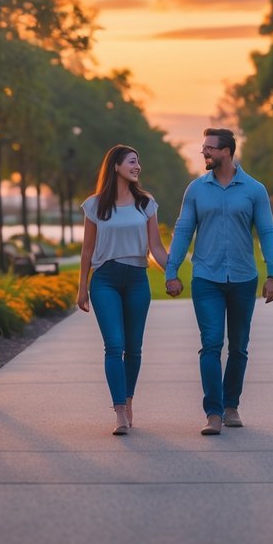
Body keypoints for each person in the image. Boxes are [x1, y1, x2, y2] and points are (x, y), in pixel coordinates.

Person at [165, 128, 273, 435]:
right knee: (212, 344)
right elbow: (183, 231)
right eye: (203, 148)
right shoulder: (196, 189)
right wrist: (171, 270)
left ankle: (232, 407)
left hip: (243, 278)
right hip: (207, 277)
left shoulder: (254, 190)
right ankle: (213, 413)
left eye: (210, 149)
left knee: (239, 347)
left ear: (226, 151)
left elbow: (267, 232)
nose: (204, 153)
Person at [76, 144, 172, 435]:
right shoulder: (95, 205)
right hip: (105, 280)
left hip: (137, 280)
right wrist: (82, 288)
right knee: (114, 345)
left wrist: (173, 272)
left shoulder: (146, 203)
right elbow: (87, 249)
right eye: (132, 161)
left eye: (138, 161)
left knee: (134, 348)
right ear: (116, 166)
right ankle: (119, 411)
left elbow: (155, 247)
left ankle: (129, 402)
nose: (137, 166)